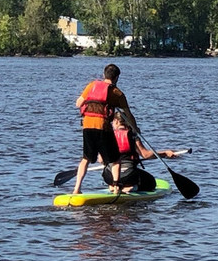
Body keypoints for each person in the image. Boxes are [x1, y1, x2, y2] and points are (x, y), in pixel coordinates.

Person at [72, 63, 136, 195]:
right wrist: (135, 129)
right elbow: (128, 114)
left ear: (103, 75)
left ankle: (76, 189)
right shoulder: (117, 93)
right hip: (103, 127)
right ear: (117, 77)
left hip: (87, 126)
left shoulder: (91, 85)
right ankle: (116, 188)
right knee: (115, 159)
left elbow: (78, 103)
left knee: (86, 158)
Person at [102, 111, 177, 193]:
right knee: (151, 182)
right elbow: (146, 155)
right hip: (128, 175)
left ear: (116, 121)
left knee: (112, 172)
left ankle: (112, 186)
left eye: (112, 122)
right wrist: (164, 154)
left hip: (109, 175)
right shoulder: (132, 135)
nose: (112, 124)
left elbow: (101, 160)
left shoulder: (108, 135)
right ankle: (131, 188)